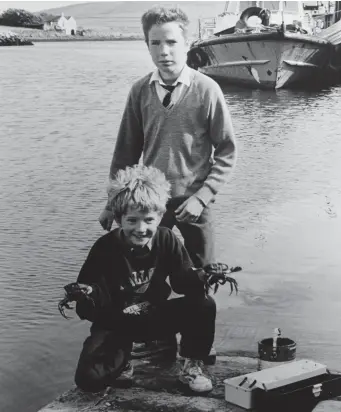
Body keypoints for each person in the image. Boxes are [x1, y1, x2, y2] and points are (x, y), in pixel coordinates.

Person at [72, 165, 236, 394]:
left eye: (149, 220)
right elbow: (85, 309)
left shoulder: (166, 239)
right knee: (88, 381)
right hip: (117, 322)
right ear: (119, 219)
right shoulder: (104, 248)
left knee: (204, 303)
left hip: (154, 314)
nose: (141, 228)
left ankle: (191, 364)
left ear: (160, 217)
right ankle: (125, 358)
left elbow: (182, 283)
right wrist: (88, 295)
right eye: (132, 220)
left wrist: (204, 275)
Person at [99, 6, 237, 269]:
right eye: (156, 43)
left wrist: (202, 197)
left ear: (187, 45)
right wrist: (111, 203)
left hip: (195, 201)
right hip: (150, 204)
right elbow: (125, 154)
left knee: (204, 274)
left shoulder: (207, 90)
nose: (164, 51)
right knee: (142, 273)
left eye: (172, 42)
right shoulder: (139, 91)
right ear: (147, 46)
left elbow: (227, 152)